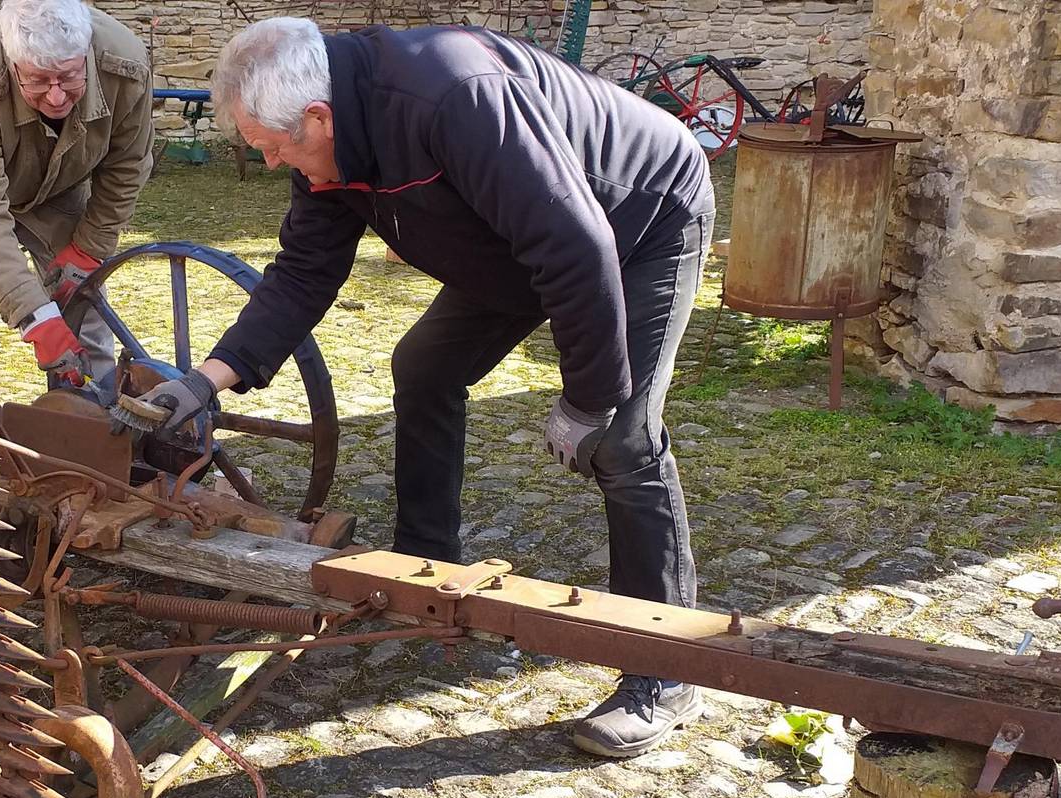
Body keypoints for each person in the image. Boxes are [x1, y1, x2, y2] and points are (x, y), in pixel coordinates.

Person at [118, 17, 715, 758]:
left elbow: (575, 245)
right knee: (424, 366)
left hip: (639, 221)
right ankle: (425, 563)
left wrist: (588, 401)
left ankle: (665, 674)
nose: (272, 164)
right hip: (512, 244)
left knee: (624, 441)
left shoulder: (455, 93)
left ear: (317, 118)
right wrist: (204, 382)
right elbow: (303, 274)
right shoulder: (328, 150)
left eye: (271, 147)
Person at [0, 0, 152, 386]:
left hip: (57, 180)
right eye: (37, 80)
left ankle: (97, 428)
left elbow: (127, 163)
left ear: (86, 54)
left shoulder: (124, 63)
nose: (55, 97)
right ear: (12, 62)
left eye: (68, 77)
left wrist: (90, 245)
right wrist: (34, 316)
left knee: (86, 310)